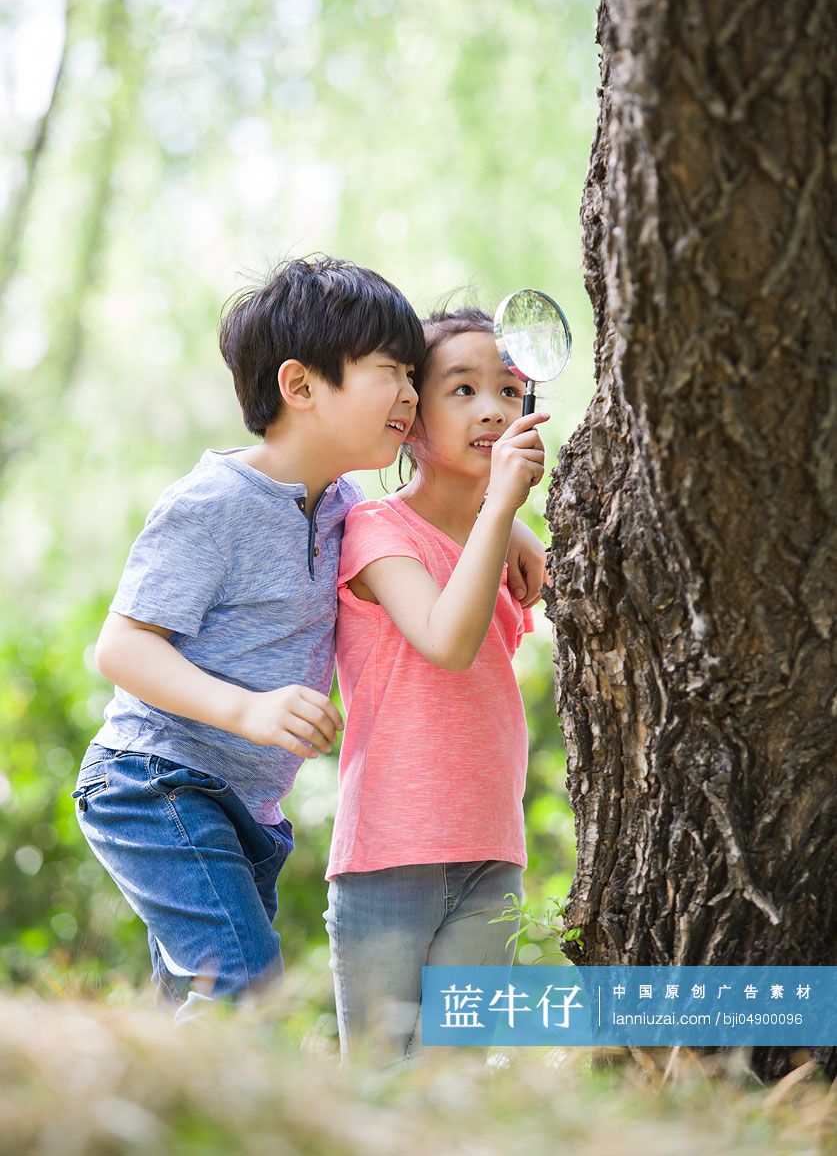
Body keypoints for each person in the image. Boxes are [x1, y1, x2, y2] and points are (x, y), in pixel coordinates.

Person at [73, 259, 545, 1016]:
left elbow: (423, 512)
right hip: (154, 780)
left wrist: (507, 517)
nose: (405, 395)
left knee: (197, 994)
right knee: (240, 982)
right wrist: (247, 710)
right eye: (391, 373)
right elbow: (121, 649)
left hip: (248, 803)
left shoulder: (344, 504)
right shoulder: (214, 500)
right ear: (300, 386)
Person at [324, 305, 548, 1059]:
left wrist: (507, 519)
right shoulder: (377, 530)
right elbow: (447, 641)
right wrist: (503, 510)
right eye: (462, 389)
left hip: (492, 851)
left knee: (453, 1091)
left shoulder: (513, 547)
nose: (492, 408)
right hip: (389, 855)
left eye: (510, 391)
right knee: (384, 1091)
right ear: (411, 417)